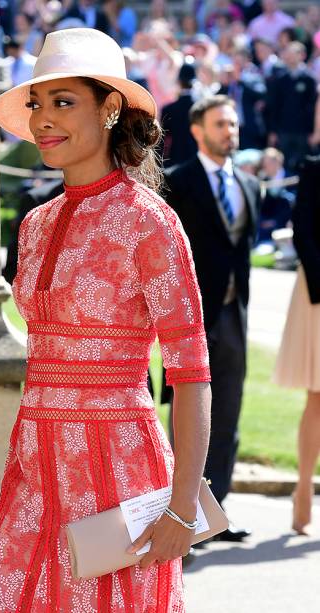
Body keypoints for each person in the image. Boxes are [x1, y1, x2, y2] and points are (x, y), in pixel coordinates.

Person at [0, 28, 211, 612]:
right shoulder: (36, 222)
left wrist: (181, 507)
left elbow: (192, 372)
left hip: (118, 467)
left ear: (110, 108)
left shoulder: (150, 223)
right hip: (34, 458)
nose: (44, 119)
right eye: (37, 104)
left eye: (63, 101)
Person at [162, 95, 261, 541]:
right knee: (186, 418)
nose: (230, 132)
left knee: (228, 416)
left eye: (234, 125)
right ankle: (178, 515)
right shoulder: (175, 183)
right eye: (221, 124)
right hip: (190, 319)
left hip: (233, 315)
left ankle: (215, 514)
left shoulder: (248, 185)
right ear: (198, 130)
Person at [273, 155, 320, 535]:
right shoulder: (314, 167)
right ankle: (303, 486)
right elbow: (303, 230)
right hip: (318, 293)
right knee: (317, 396)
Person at [266, 42, 318, 174]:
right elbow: (274, 106)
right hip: (284, 130)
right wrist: (273, 130)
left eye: (292, 54)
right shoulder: (280, 79)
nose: (289, 57)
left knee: (304, 164)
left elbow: (313, 108)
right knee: (285, 164)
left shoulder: (309, 79)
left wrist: (314, 132)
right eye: (287, 54)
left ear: (302, 55)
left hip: (303, 132)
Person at [159, 62, 198, 167]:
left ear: (179, 82)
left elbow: (162, 141)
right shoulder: (201, 108)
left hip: (174, 160)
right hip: (197, 160)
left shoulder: (169, 109)